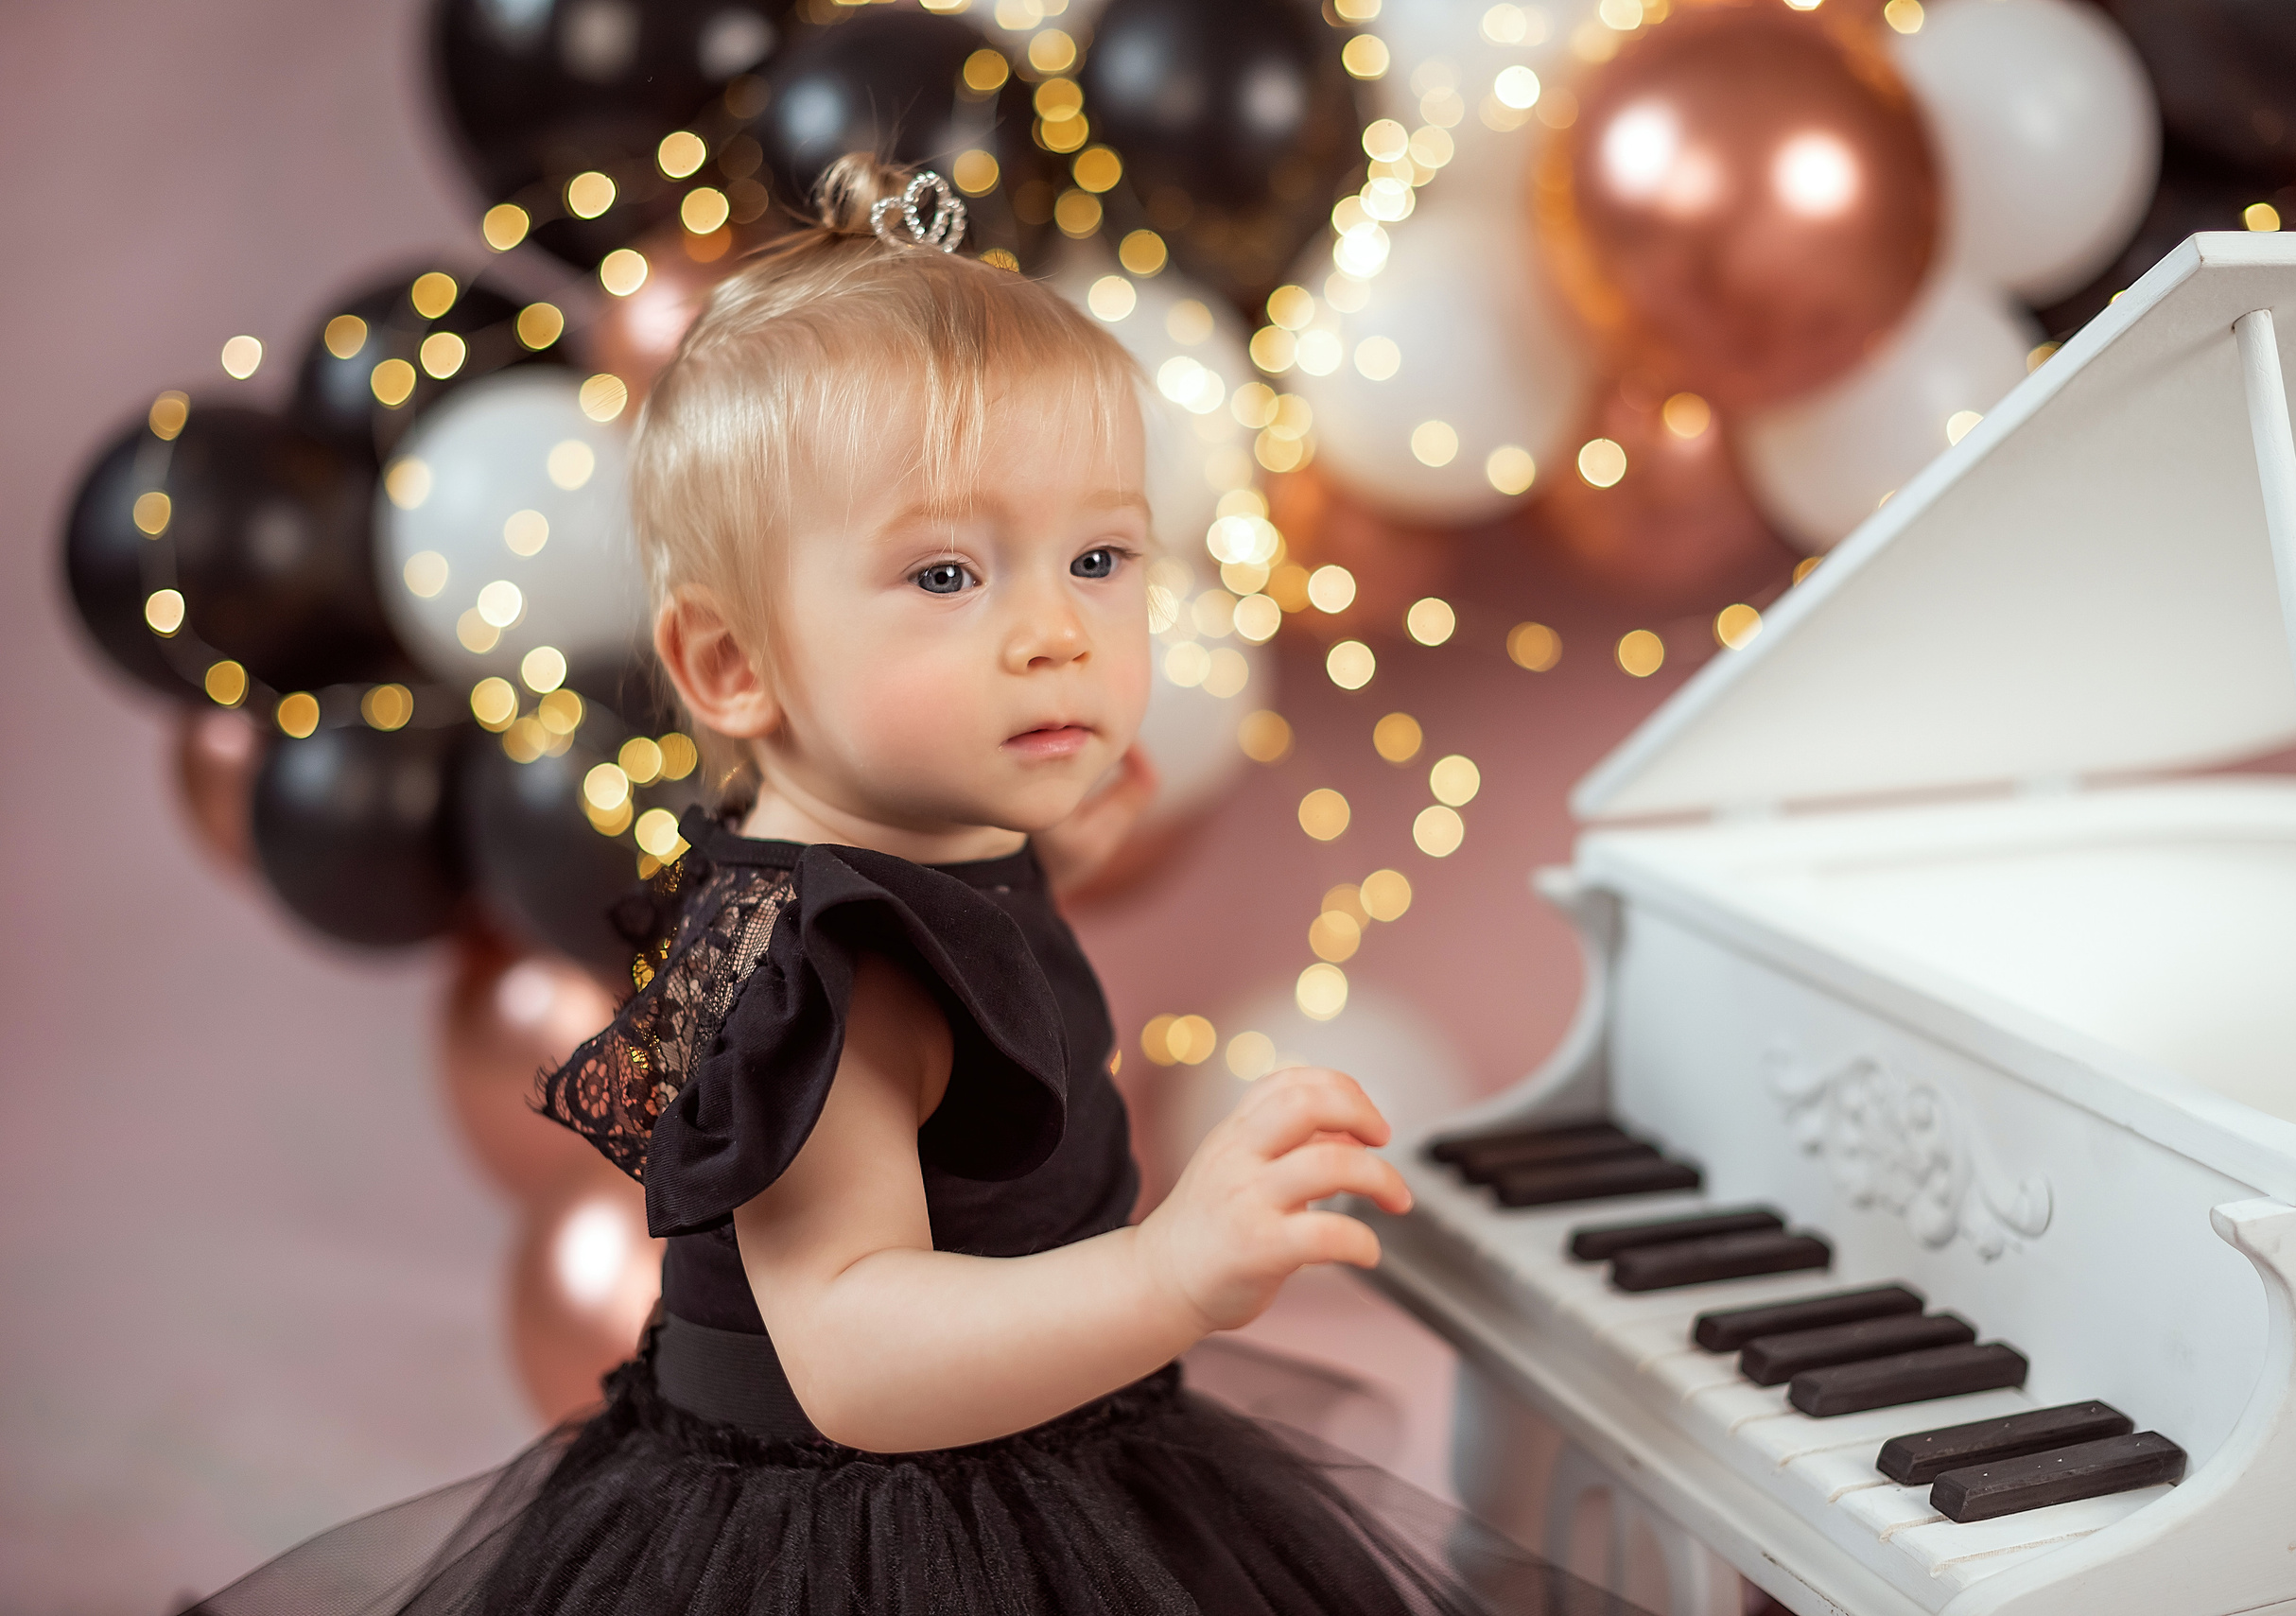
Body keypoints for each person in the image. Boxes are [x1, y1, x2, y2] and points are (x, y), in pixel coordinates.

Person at [185, 158, 1627, 1616]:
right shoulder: (821, 972)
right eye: (947, 575)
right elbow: (856, 1350)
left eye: (1099, 556)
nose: (1057, 629)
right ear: (734, 667)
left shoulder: (900, 836)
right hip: (873, 1535)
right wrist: (1171, 1273)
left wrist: (1060, 829)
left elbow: (964, 920)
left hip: (1040, 1445)